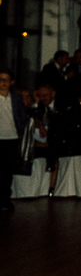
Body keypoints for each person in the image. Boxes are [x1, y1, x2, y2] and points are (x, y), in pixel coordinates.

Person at [0, 68, 29, 212]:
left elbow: (22, 116)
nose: (3, 82)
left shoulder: (16, 98)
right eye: (1, 79)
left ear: (11, 82)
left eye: (6, 79)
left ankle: (5, 199)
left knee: (7, 171)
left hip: (11, 138)